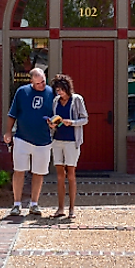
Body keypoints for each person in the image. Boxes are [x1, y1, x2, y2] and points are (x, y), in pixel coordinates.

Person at [5, 67, 54, 216]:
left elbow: (55, 115)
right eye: (38, 83)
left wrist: (54, 124)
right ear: (31, 81)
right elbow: (12, 113)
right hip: (22, 138)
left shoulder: (51, 93)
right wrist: (8, 131)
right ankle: (17, 204)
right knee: (19, 171)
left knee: (38, 173)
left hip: (43, 140)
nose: (42, 85)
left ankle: (34, 203)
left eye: (43, 82)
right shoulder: (22, 92)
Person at [49, 74, 88, 219]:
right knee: (60, 176)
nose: (60, 93)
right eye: (57, 90)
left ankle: (72, 208)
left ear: (67, 88)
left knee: (71, 174)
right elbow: (55, 119)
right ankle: (60, 208)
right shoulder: (55, 101)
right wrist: (53, 124)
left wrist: (71, 122)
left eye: (61, 90)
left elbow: (85, 119)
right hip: (57, 140)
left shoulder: (77, 99)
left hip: (72, 140)